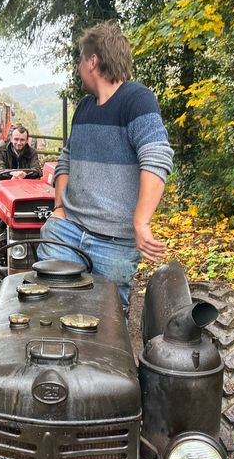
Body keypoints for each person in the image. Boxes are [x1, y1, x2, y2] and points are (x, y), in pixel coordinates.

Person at [38, 22, 174, 311]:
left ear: (92, 61)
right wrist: (59, 208)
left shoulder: (137, 101)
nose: (78, 68)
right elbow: (66, 160)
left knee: (107, 322)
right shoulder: (84, 109)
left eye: (80, 61)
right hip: (68, 232)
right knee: (51, 309)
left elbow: (157, 157)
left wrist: (141, 222)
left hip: (114, 242)